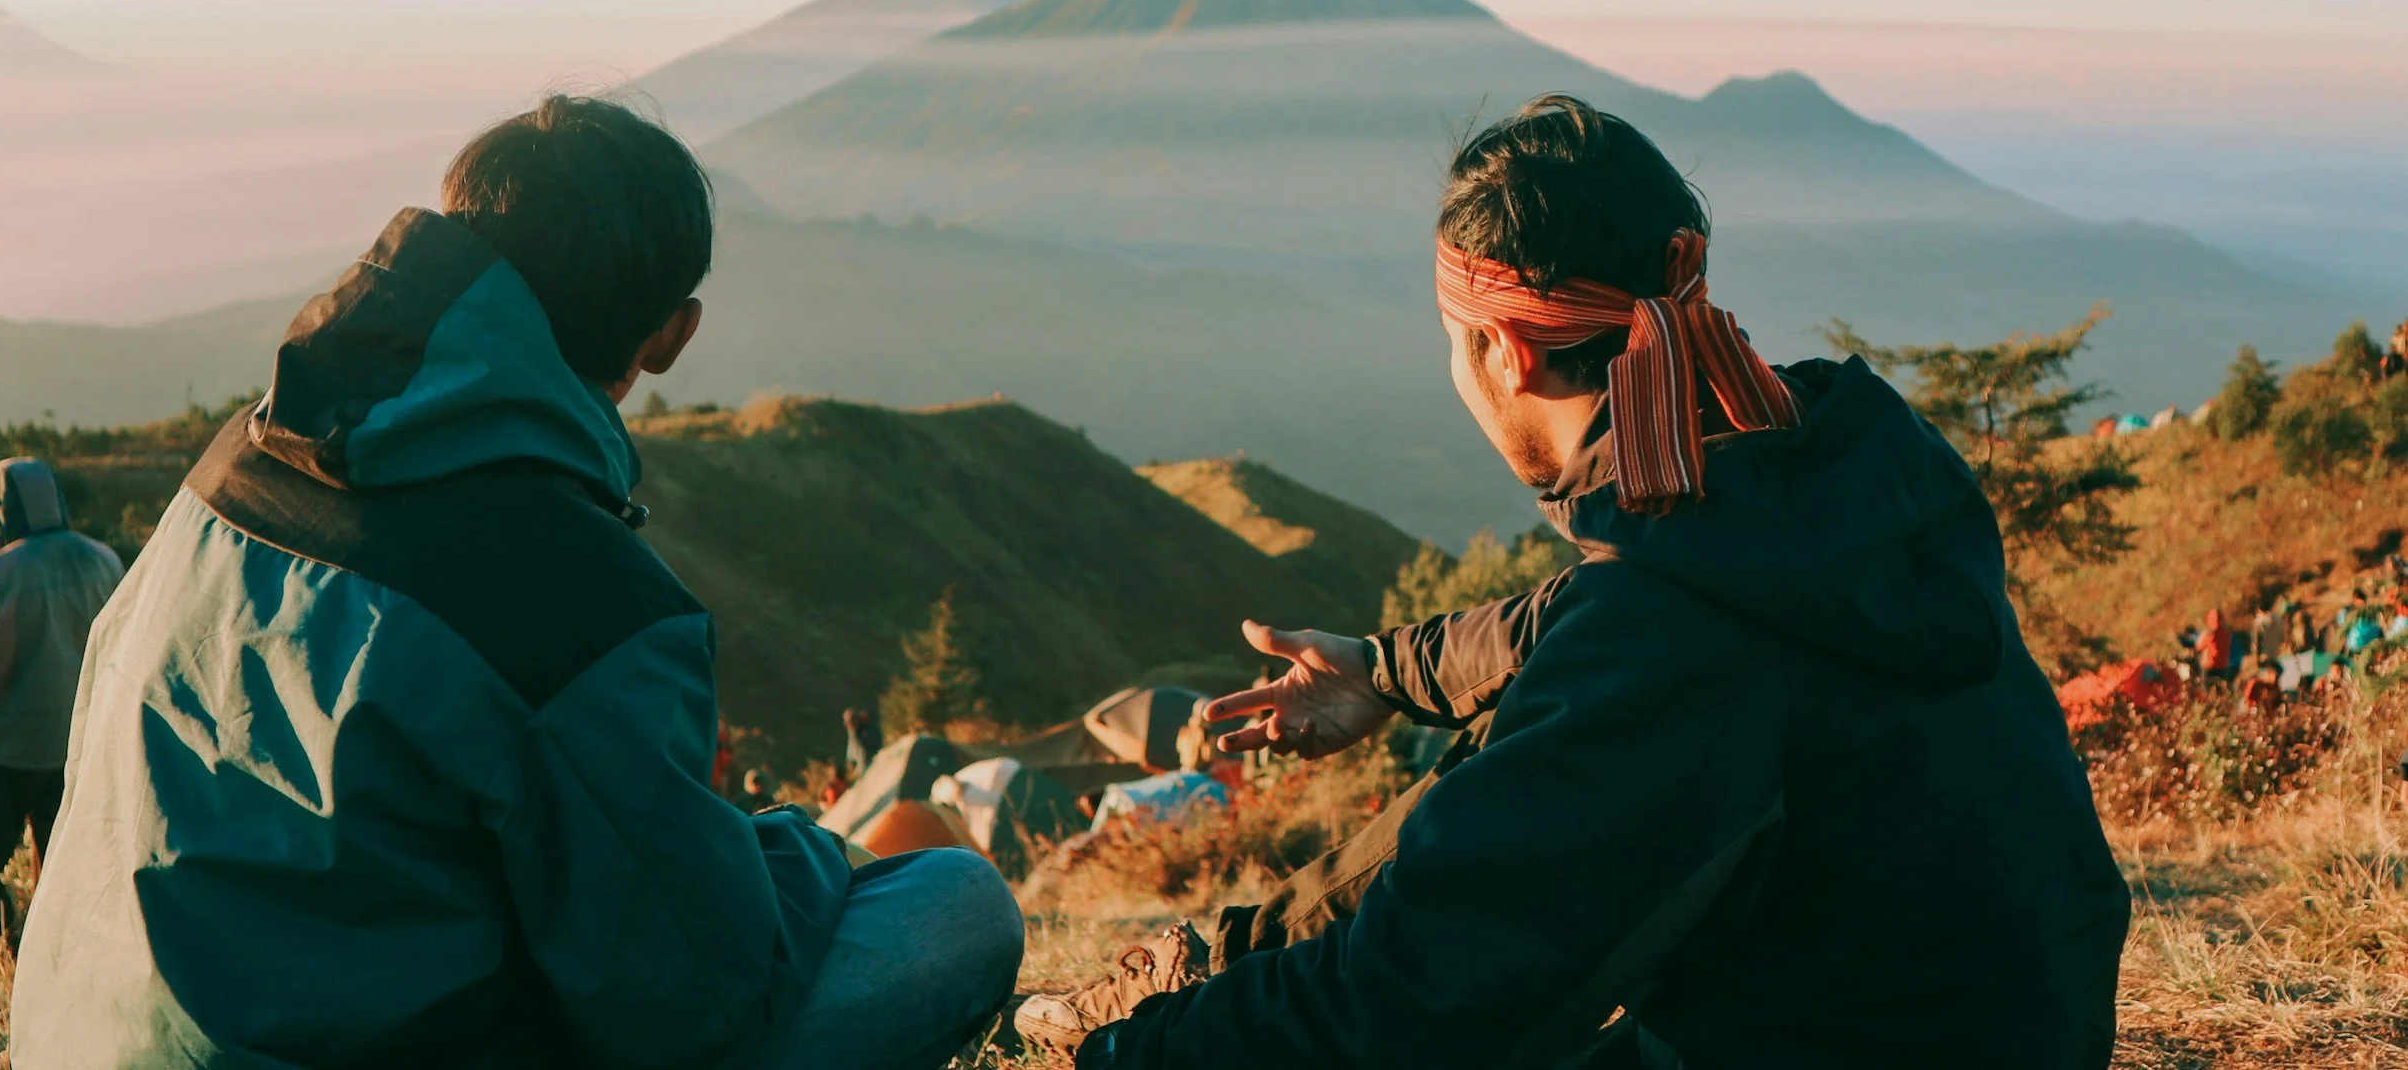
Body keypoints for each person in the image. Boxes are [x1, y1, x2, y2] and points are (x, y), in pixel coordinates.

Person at [1021, 94, 2129, 1069]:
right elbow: (1587, 615)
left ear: (1503, 349)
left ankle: (1181, 991)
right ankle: (1208, 962)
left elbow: (1415, 1004)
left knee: (1468, 829)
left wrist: (1130, 1055)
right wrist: (1388, 669)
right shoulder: (1824, 474)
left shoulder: (1672, 630)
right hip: (1982, 1030)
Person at [12, 98, 1022, 1069]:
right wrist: (808, 856)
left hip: (86, 1037)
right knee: (954, 900)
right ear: (671, 335)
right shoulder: (582, 601)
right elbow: (695, 1012)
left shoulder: (236, 461)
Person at [0, 457, 126, 963]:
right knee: (62, 873)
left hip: (6, 750)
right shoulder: (103, 560)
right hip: (82, 747)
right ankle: (57, 970)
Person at [845, 706, 886, 778]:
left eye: (852, 720)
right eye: (848, 722)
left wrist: (857, 772)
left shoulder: (866, 732)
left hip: (874, 765)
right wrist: (850, 763)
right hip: (864, 767)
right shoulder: (853, 735)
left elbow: (863, 755)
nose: (850, 724)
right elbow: (851, 752)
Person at [2195, 607, 2234, 684]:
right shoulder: (2227, 631)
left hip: (2209, 665)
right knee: (2221, 690)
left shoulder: (2210, 632)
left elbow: (2199, 647)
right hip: (2223, 665)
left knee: (2206, 691)